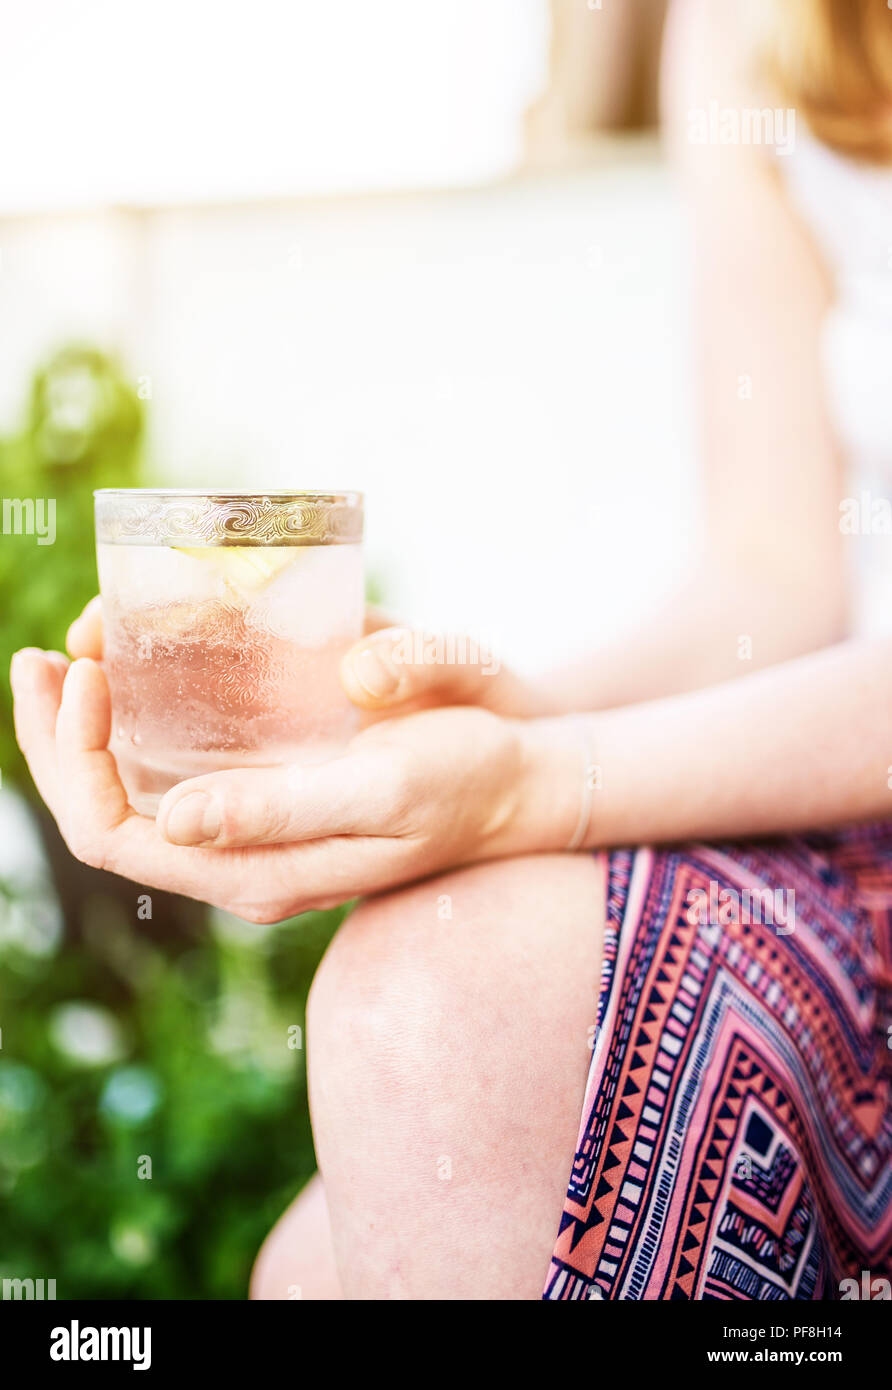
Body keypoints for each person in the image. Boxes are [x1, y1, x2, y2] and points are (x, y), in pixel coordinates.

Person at [11, 0, 892, 1299]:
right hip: (840, 774)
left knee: (429, 1031)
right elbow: (778, 575)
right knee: (338, 1200)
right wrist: (432, 728)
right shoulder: (759, 25)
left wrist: (535, 781)